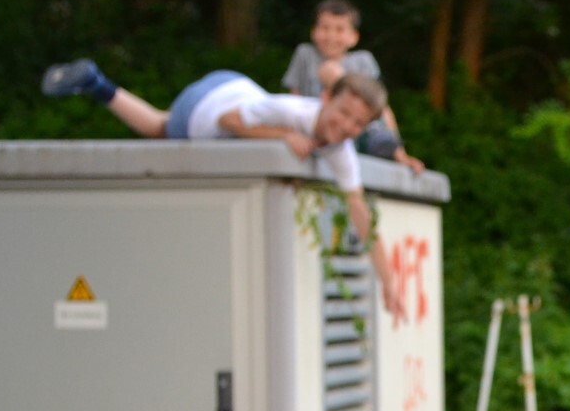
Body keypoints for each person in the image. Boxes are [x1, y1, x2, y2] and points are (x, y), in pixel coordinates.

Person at [39, 60, 405, 321]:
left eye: (358, 124)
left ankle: (95, 82)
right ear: (325, 99)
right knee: (165, 130)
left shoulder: (341, 151)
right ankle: (96, 82)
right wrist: (283, 136)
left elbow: (360, 213)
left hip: (236, 86)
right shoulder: (291, 112)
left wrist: (388, 282)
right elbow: (227, 121)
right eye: (343, 113)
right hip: (207, 106)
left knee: (157, 125)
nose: (346, 126)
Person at [282, 0, 424, 174]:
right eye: (325, 28)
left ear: (354, 37)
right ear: (314, 31)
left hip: (357, 136)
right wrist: (293, 134)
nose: (331, 36)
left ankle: (385, 149)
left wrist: (400, 154)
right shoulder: (305, 55)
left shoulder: (363, 61)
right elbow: (293, 99)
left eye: (339, 29)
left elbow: (381, 108)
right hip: (316, 131)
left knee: (372, 132)